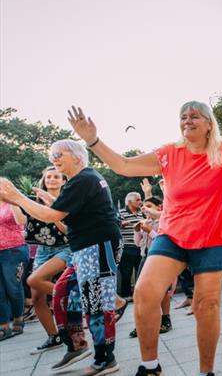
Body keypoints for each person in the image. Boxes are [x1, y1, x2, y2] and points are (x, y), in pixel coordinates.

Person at [55, 87, 222, 376]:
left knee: (207, 304)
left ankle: (205, 371)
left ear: (209, 123)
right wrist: (93, 140)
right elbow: (123, 166)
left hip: (212, 237)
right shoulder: (168, 154)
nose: (187, 121)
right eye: (183, 117)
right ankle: (150, 366)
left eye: (195, 116)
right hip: (172, 235)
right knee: (145, 291)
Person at [0, 139, 122, 375]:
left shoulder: (84, 179)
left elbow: (50, 216)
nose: (53, 159)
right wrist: (50, 202)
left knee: (96, 305)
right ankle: (76, 345)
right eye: (52, 155)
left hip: (97, 246)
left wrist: (17, 197)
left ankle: (105, 358)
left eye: (59, 154)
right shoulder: (78, 182)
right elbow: (64, 215)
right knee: (63, 293)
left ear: (76, 156)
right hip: (83, 250)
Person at [21, 167, 71, 353]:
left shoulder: (67, 200)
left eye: (56, 176)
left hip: (66, 247)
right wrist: (9, 200)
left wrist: (52, 210)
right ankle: (54, 336)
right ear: (44, 179)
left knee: (35, 279)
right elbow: (20, 221)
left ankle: (78, 298)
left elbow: (68, 230)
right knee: (36, 296)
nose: (51, 179)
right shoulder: (32, 202)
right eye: (48, 176)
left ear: (64, 180)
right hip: (43, 250)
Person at [129, 196, 173, 338]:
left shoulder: (163, 221)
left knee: (163, 291)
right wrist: (137, 231)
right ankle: (142, 323)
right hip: (145, 256)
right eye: (144, 206)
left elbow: (163, 239)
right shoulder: (145, 222)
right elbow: (138, 243)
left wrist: (149, 231)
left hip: (160, 257)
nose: (145, 209)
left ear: (159, 208)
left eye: (149, 206)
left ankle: (166, 319)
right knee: (140, 290)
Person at [0, 199, 29, 341]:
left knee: (13, 287)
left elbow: (22, 221)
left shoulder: (12, 202)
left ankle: (18, 318)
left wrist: (13, 201)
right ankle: (4, 326)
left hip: (14, 250)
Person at [118, 192, 145, 301]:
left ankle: (140, 294)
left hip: (140, 247)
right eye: (137, 200)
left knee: (141, 271)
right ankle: (126, 295)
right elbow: (114, 225)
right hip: (127, 247)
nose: (140, 202)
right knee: (126, 272)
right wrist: (121, 224)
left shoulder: (142, 213)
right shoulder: (120, 213)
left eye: (140, 199)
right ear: (129, 202)